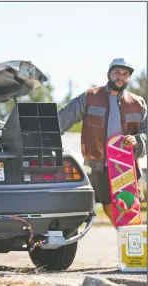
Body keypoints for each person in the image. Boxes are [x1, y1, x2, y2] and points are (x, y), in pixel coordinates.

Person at [58, 58, 147, 226]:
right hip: (101, 164)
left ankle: (131, 245)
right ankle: (125, 239)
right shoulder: (90, 97)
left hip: (126, 165)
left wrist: (136, 140)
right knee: (108, 208)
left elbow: (146, 132)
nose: (120, 77)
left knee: (129, 208)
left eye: (125, 74)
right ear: (109, 74)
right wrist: (46, 132)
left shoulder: (137, 103)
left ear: (128, 78)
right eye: (117, 73)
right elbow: (63, 118)